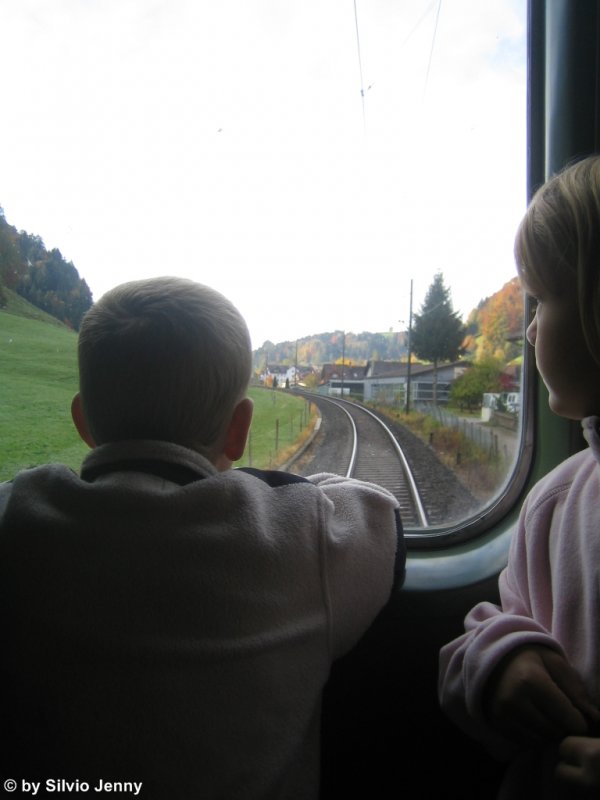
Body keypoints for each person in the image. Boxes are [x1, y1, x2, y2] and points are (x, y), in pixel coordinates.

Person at [0, 277, 404, 799]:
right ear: (239, 430)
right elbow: (385, 524)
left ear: (83, 421)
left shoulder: (17, 516)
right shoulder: (298, 534)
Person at [438, 154, 600, 799]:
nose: (529, 330)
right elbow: (494, 630)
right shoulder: (556, 501)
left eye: (542, 301)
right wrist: (500, 662)